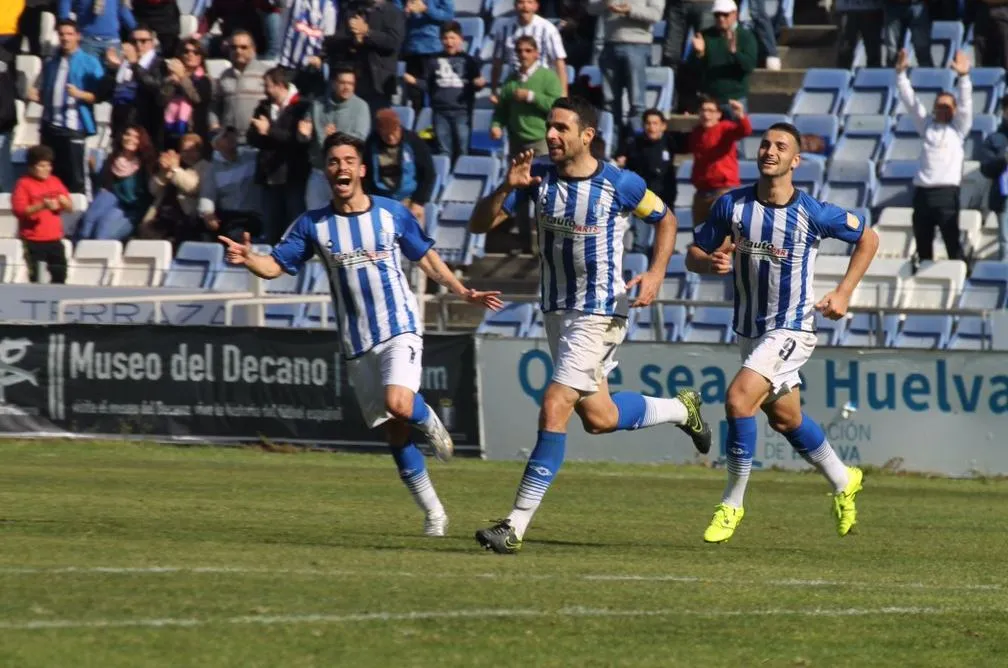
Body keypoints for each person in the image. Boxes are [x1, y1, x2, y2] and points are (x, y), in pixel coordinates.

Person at [218, 131, 504, 536]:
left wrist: (462, 290)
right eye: (334, 161)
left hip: (399, 327)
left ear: (362, 170)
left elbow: (426, 257)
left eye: (349, 160)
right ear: (326, 171)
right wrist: (249, 258)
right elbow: (275, 267)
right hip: (357, 343)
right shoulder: (313, 224)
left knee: (399, 403)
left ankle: (431, 421)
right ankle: (435, 514)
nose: (342, 168)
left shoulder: (391, 214)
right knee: (395, 431)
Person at [468, 97, 712, 554]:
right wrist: (504, 188)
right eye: (549, 127)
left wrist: (657, 272)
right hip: (558, 311)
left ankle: (514, 525)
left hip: (600, 311)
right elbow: (481, 224)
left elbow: (666, 219)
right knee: (599, 418)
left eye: (562, 127)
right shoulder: (537, 176)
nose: (552, 135)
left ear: (588, 135)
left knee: (555, 404)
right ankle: (683, 409)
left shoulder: (619, 183)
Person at [685, 121, 880, 543]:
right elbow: (694, 253)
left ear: (796, 160)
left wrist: (843, 292)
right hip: (750, 332)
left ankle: (732, 503)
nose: (770, 151)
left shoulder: (813, 213)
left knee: (739, 400)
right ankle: (844, 478)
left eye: (781, 146)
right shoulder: (731, 206)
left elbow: (869, 238)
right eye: (765, 144)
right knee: (785, 418)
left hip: (792, 328)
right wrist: (708, 263)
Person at [896, 48, 972, 261]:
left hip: (947, 195)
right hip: (922, 194)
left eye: (947, 107)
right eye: (939, 107)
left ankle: (962, 280)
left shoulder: (958, 130)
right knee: (923, 245)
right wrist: (901, 74)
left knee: (951, 242)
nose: (942, 111)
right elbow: (911, 103)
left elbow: (966, 105)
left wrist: (964, 77)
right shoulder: (927, 126)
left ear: (954, 111)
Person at [32, 19, 105, 195]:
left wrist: (80, 94)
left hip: (74, 128)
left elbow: (101, 95)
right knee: (49, 178)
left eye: (69, 34)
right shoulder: (51, 63)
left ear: (78, 36)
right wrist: (36, 97)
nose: (65, 38)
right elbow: (46, 94)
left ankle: (78, 217)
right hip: (50, 127)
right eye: (62, 34)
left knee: (76, 179)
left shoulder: (90, 61)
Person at [247, 66, 313, 244]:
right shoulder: (263, 107)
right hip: (269, 175)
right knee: (271, 227)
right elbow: (252, 137)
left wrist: (269, 131)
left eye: (268, 85)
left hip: (292, 175)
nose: (265, 90)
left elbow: (298, 140)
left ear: (280, 85)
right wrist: (261, 133)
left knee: (294, 224)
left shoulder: (302, 106)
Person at [404, 21, 484, 165]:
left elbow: (475, 84)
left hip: (462, 112)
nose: (449, 42)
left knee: (462, 149)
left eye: (453, 38)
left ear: (460, 39)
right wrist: (414, 81)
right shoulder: (433, 61)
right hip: (440, 112)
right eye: (445, 38)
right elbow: (427, 85)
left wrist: (479, 84)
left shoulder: (469, 60)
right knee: (443, 150)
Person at [587, 0, 663, 136]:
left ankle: (636, 145)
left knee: (636, 102)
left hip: (639, 45)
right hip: (609, 44)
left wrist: (629, 10)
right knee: (609, 103)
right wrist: (605, 3)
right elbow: (590, 8)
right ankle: (611, 146)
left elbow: (655, 15)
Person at [74, 125, 156, 241]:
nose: (130, 139)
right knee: (89, 219)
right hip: (113, 200)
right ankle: (78, 246)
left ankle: (98, 253)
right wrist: (93, 171)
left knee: (102, 229)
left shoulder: (146, 163)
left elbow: (148, 194)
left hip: (131, 208)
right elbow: (103, 184)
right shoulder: (112, 159)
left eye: (136, 137)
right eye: (128, 134)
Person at [324, 0, 405, 112]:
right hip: (353, 78)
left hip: (379, 81)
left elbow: (394, 42)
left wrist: (367, 32)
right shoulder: (351, 9)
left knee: (375, 120)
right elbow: (338, 38)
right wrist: (354, 40)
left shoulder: (393, 12)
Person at [362, 109, 436, 224]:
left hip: (409, 200)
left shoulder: (413, 141)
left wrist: (419, 202)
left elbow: (428, 174)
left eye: (394, 133)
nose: (391, 138)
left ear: (399, 128)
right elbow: (365, 175)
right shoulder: (371, 145)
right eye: (386, 135)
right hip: (381, 201)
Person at [11, 144, 72, 283]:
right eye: (42, 166)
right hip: (33, 241)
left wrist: (65, 203)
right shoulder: (23, 184)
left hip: (55, 240)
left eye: (49, 165)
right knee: (37, 278)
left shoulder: (55, 181)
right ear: (31, 167)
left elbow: (70, 208)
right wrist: (42, 205)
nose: (47, 169)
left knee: (60, 277)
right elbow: (20, 211)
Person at [688, 96, 750, 224]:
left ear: (718, 114)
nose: (706, 114)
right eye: (703, 110)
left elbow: (744, 131)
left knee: (722, 233)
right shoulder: (696, 132)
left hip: (723, 189)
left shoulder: (725, 128)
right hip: (702, 192)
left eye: (710, 111)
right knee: (700, 235)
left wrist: (740, 115)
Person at [490, 0, 568, 101]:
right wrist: (493, 90)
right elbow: (497, 62)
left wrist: (563, 95)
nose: (525, 6)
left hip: (542, 85)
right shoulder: (504, 29)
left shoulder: (548, 29)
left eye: (529, 2)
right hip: (515, 83)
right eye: (521, 2)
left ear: (536, 6)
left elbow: (559, 63)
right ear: (515, 6)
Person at [139, 133, 209, 244]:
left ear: (200, 152)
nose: (188, 154)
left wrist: (174, 169)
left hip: (185, 218)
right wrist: (163, 172)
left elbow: (193, 187)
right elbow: (153, 190)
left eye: (192, 150)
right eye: (185, 151)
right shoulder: (173, 165)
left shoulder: (205, 167)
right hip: (160, 215)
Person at [687, 0, 757, 109]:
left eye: (725, 14)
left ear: (735, 14)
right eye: (717, 15)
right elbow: (693, 69)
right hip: (711, 100)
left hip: (735, 98)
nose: (721, 18)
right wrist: (699, 53)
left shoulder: (745, 36)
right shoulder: (705, 36)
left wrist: (734, 53)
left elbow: (749, 66)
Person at [199, 126, 264, 242]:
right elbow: (207, 195)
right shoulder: (213, 169)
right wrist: (208, 214)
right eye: (224, 136)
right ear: (216, 145)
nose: (230, 138)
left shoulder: (252, 156)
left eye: (231, 134)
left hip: (255, 215)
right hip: (230, 217)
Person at [102, 24, 165, 146]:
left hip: (145, 126)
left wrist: (135, 64)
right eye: (134, 41)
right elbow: (105, 93)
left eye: (143, 41)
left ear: (152, 43)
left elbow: (154, 87)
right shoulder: (124, 64)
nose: (138, 45)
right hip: (121, 126)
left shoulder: (159, 64)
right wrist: (111, 70)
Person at [209, 30, 270, 145]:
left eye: (243, 47)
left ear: (253, 49)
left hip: (256, 142)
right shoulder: (224, 76)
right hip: (229, 144)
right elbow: (215, 105)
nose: (238, 51)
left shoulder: (266, 73)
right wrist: (215, 127)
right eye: (234, 47)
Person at [615, 109, 679, 210]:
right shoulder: (634, 143)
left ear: (663, 126)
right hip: (641, 201)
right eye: (648, 123)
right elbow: (620, 158)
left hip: (665, 200)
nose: (651, 127)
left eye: (655, 123)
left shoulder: (671, 141)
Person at [309, 66, 372, 168]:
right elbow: (305, 136)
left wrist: (335, 137)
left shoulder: (361, 106)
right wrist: (303, 134)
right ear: (333, 84)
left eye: (351, 84)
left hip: (346, 168)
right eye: (342, 83)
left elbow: (359, 139)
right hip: (320, 168)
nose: (347, 87)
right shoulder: (317, 104)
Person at [401, 0, 455, 112]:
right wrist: (404, 12)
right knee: (414, 95)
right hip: (411, 49)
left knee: (435, 93)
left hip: (433, 49)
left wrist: (426, 9)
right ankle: (417, 126)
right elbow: (395, 11)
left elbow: (448, 15)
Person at [160, 38, 213, 153]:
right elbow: (161, 100)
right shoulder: (169, 78)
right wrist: (172, 82)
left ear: (201, 56)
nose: (190, 55)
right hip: (171, 132)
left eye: (195, 52)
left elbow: (197, 98)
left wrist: (182, 78)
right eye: (186, 51)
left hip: (194, 132)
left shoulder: (205, 79)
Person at [977, 94, 1008, 260]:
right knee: (1006, 242)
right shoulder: (994, 139)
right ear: (1004, 112)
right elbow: (986, 168)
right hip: (1005, 198)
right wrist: (1003, 160)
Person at [59, 0, 136, 61]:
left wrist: (137, 30)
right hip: (88, 40)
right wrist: (65, 22)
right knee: (86, 75)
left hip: (112, 41)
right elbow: (65, 2)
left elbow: (124, 11)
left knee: (114, 77)